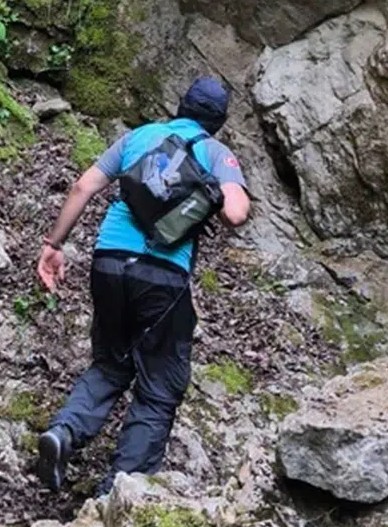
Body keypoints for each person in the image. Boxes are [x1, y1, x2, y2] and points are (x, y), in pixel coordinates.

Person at [33, 76, 250, 493]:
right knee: (159, 384)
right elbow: (237, 213)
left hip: (109, 261)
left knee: (112, 363)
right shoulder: (216, 151)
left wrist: (53, 246)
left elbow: (84, 186)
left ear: (181, 104)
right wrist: (214, 192)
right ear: (219, 121)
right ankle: (119, 490)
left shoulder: (139, 136)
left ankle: (64, 433)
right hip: (163, 274)